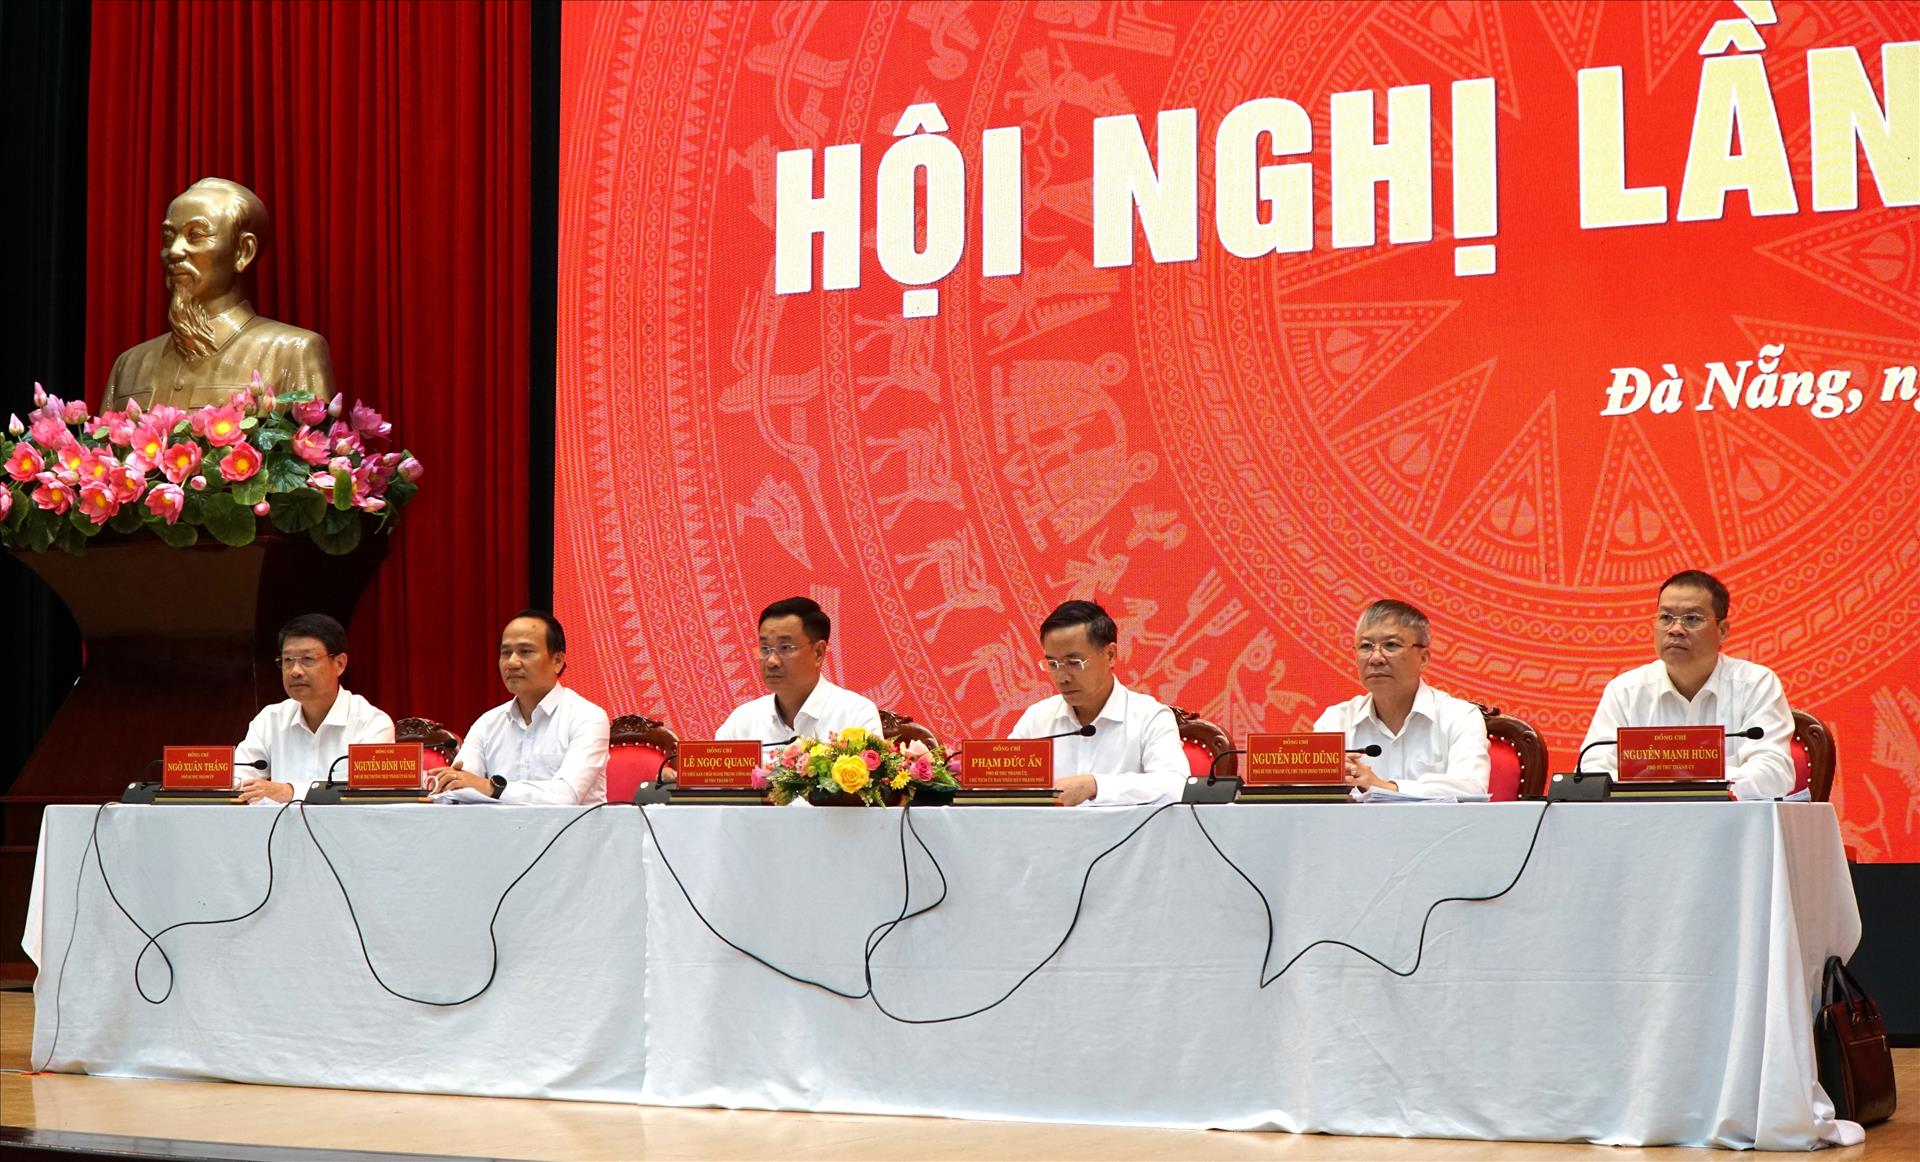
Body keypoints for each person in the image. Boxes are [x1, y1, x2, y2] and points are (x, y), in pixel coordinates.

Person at [102, 177, 336, 411]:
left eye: (195, 235)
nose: (174, 251)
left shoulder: (292, 352)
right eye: (168, 238)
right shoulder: (129, 365)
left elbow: (310, 431)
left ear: (243, 251)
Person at [1579, 570, 1794, 799]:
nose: (1675, 629)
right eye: (1665, 617)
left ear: (1722, 631)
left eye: (1692, 619)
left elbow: (1775, 774)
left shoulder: (1755, 684)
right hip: (1645, 818)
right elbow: (1591, 773)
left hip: (1727, 819)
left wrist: (1694, 778)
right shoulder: (1625, 691)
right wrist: (1663, 780)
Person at [1008, 600, 1186, 806]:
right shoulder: (1037, 718)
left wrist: (1095, 785)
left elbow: (1176, 786)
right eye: (1053, 664)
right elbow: (999, 787)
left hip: (1124, 828)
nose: (1062, 677)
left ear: (1110, 655)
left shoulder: (1149, 717)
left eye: (1074, 663)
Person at [1312, 600, 1489, 799]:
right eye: (1366, 646)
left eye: (1391, 645)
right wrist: (1324, 780)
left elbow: (1472, 788)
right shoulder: (1335, 721)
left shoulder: (1459, 717)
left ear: (1423, 658)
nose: (1375, 658)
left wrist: (1384, 787)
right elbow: (1305, 797)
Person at [431, 610, 611, 804]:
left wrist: (492, 788)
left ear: (558, 661)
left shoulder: (588, 718)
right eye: (506, 653)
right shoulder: (487, 723)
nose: (512, 662)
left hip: (571, 825)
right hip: (499, 825)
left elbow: (566, 795)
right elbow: (462, 784)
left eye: (525, 652)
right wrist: (449, 786)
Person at [234, 614, 394, 803]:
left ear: (340, 664)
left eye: (308, 659)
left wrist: (290, 792)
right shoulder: (270, 719)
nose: (295, 671)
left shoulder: (372, 724)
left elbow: (363, 792)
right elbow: (237, 777)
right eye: (288, 660)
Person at [714, 597, 882, 748]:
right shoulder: (742, 721)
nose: (772, 661)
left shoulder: (854, 714)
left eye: (785, 648)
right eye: (765, 648)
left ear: (818, 653)